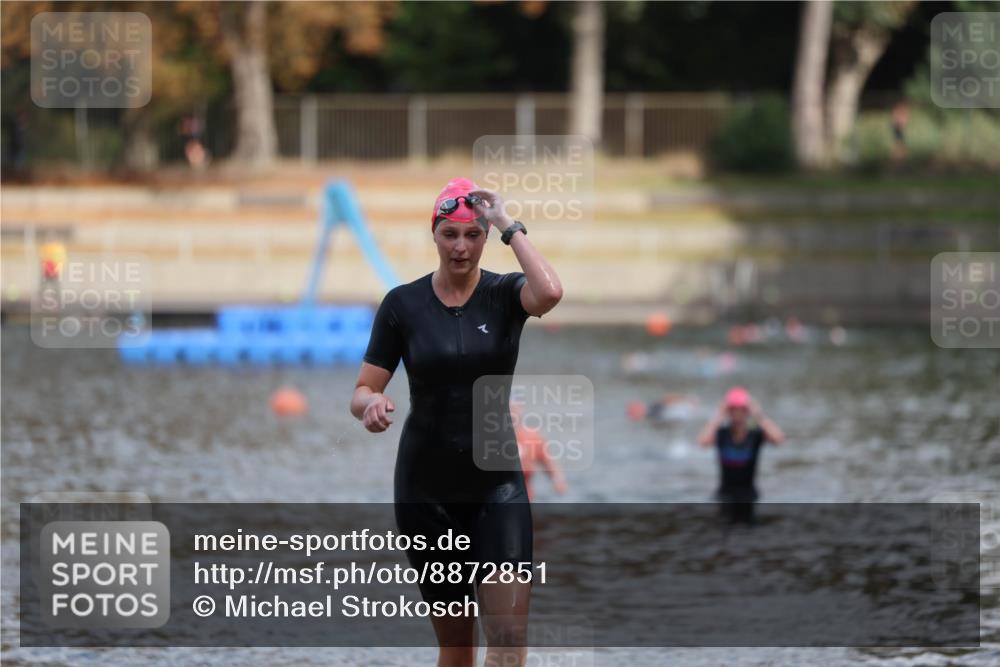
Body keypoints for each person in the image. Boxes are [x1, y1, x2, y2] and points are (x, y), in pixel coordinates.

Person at [351, 177, 562, 667]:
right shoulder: (402, 305)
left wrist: (509, 224)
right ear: (434, 235)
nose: (461, 247)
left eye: (472, 235)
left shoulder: (507, 294)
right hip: (426, 493)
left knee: (508, 643)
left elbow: (550, 291)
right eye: (450, 234)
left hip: (497, 488)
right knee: (459, 649)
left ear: (485, 237)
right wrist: (370, 407)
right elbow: (363, 390)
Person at [697, 386, 784, 524]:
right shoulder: (722, 433)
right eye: (733, 411)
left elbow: (778, 439)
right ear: (729, 412)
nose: (737, 415)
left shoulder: (755, 434)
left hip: (748, 495)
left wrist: (758, 415)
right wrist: (718, 415)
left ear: (747, 411)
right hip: (725, 494)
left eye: (741, 410)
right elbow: (702, 442)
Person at [512, 403, 568, 501]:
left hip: (525, 500)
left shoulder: (531, 437)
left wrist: (558, 480)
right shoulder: (490, 439)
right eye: (509, 410)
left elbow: (548, 462)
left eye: (514, 409)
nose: (512, 413)